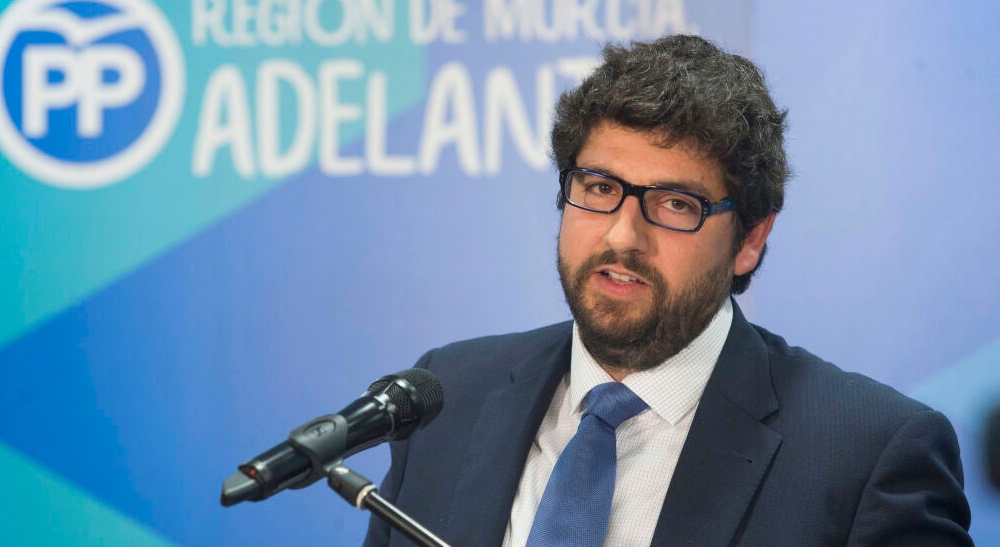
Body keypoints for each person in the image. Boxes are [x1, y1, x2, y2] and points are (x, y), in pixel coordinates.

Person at [364, 35, 972, 546]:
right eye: (600, 188)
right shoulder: (449, 396)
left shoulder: (868, 455)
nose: (622, 236)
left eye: (676, 204)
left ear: (749, 240)